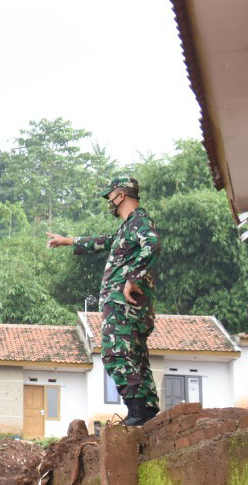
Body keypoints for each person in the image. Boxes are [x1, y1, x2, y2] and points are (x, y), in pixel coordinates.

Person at [47, 176, 161, 426]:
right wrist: (69, 241)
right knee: (135, 355)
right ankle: (146, 411)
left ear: (121, 195)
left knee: (115, 353)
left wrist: (132, 278)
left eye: (110, 196)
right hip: (129, 306)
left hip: (124, 304)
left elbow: (152, 244)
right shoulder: (128, 227)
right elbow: (106, 241)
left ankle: (138, 412)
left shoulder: (139, 222)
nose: (109, 202)